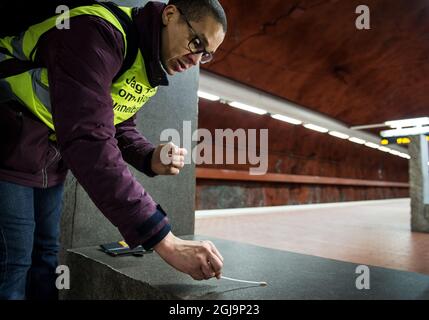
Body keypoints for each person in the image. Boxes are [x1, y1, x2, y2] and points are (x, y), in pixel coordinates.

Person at [0, 0, 227, 300]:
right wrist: (165, 240)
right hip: (8, 144)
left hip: (49, 161)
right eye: (196, 42)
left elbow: (117, 125)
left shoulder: (145, 62)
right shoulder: (96, 33)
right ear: (170, 15)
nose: (196, 59)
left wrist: (149, 156)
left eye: (206, 54)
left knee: (46, 255)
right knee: (14, 263)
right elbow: (89, 138)